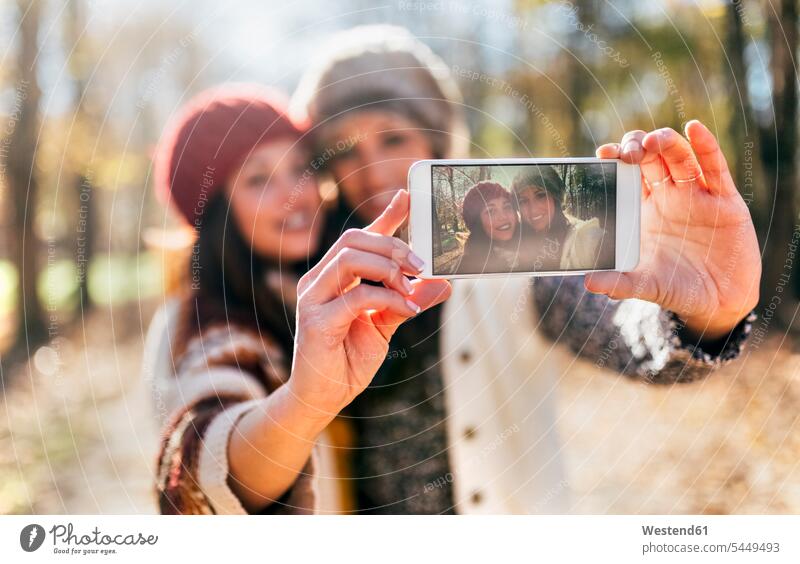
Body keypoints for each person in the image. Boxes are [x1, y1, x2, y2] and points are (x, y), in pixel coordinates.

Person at [288, 25, 761, 514]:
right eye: (345, 149)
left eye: (392, 138)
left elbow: (622, 334)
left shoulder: (511, 266)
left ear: (438, 143)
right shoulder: (311, 283)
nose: (373, 170)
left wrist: (705, 319)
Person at [143, 85, 448, 513]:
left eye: (302, 169)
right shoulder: (203, 324)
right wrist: (306, 401)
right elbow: (206, 460)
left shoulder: (307, 289)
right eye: (259, 179)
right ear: (218, 213)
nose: (296, 195)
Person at [510, 165, 612, 271]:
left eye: (541, 195)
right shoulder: (517, 241)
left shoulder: (583, 237)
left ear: (555, 198)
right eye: (523, 201)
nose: (533, 209)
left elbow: (596, 242)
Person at [459, 180, 523, 273]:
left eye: (507, 207)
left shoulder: (537, 248)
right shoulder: (468, 268)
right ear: (478, 223)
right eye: (491, 211)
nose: (503, 216)